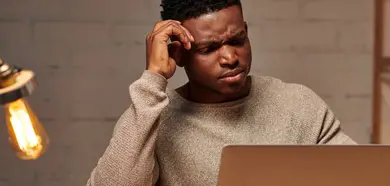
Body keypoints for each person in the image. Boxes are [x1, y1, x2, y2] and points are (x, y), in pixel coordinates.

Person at [86, 0, 356, 185]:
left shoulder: (300, 104)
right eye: (208, 49)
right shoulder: (152, 121)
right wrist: (153, 79)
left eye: (237, 41)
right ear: (178, 53)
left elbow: (363, 175)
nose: (229, 57)